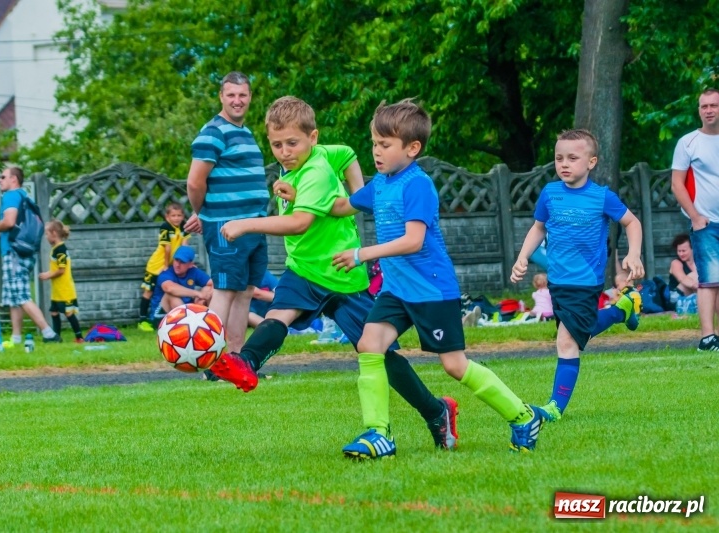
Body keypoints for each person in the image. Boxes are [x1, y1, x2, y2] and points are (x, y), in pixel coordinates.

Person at [209, 96, 460, 454]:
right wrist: (359, 197)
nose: (284, 152)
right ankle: (246, 363)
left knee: (378, 354)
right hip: (305, 269)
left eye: (292, 143)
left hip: (342, 274)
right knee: (278, 314)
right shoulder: (320, 154)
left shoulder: (316, 170)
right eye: (276, 145)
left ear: (313, 137)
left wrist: (245, 224)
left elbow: (299, 224)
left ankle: (436, 410)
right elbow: (347, 154)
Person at [324, 99, 545, 456]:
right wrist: (300, 192)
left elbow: (414, 241)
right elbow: (340, 206)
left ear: (412, 148)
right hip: (397, 291)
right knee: (369, 345)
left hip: (431, 290)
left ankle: (522, 416)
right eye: (374, 144)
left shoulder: (417, 185)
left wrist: (361, 254)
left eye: (385, 145)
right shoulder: (380, 184)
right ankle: (378, 433)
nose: (376, 152)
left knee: (454, 366)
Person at [511, 129, 644, 422]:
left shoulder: (601, 197)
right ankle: (623, 308)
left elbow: (632, 222)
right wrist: (522, 257)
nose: (564, 164)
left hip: (586, 282)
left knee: (567, 341)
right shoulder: (550, 193)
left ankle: (555, 407)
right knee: (579, 330)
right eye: (559, 158)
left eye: (573, 157)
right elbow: (538, 228)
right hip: (558, 282)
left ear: (591, 162)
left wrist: (633, 254)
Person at [185, 71, 270, 354]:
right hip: (227, 228)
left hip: (253, 226)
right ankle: (211, 360)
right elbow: (195, 182)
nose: (237, 100)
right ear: (221, 97)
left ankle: (236, 359)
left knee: (245, 291)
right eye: (231, 95)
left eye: (242, 95)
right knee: (224, 291)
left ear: (250, 97)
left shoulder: (244, 132)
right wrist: (204, 213)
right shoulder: (213, 132)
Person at [0, 167, 62, 346]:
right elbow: (13, 227)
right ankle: (16, 339)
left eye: (3, 177)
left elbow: (9, 222)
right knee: (12, 297)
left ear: (14, 179)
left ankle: (49, 334)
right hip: (24, 251)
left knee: (22, 295)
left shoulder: (11, 195)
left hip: (14, 254)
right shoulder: (25, 197)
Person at [671, 88, 719, 350]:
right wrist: (695, 216)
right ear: (699, 110)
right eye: (704, 106)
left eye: (714, 105)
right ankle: (707, 338)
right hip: (706, 224)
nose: (709, 110)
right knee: (710, 279)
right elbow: (677, 184)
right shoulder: (688, 142)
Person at [138, 202, 187, 331]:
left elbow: (184, 246)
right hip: (156, 266)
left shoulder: (183, 227)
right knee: (149, 291)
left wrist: (188, 262)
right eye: (173, 215)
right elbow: (167, 248)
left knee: (163, 291)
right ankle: (142, 320)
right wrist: (165, 265)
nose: (176, 218)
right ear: (167, 217)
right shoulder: (166, 227)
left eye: (179, 215)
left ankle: (155, 318)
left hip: (169, 265)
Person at [38, 219, 84, 343]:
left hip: (65, 290)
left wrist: (48, 275)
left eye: (47, 234)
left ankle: (79, 337)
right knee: (54, 311)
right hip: (57, 290)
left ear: (53, 233)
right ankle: (56, 337)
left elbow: (61, 270)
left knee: (68, 313)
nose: (46, 237)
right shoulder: (55, 249)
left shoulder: (61, 249)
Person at [148, 246, 213, 320]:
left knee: (207, 289)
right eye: (176, 260)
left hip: (185, 311)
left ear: (190, 264)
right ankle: (190, 321)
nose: (177, 265)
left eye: (182, 262)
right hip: (161, 316)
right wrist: (197, 294)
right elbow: (169, 288)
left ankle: (203, 319)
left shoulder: (193, 271)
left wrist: (201, 299)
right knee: (171, 295)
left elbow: (214, 284)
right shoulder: (166, 273)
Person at [668, 233, 698, 314]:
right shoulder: (676, 263)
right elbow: (682, 278)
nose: (681, 254)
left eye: (684, 251)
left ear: (692, 249)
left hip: (694, 294)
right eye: (679, 251)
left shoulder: (699, 262)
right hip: (676, 297)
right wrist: (701, 288)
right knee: (694, 275)